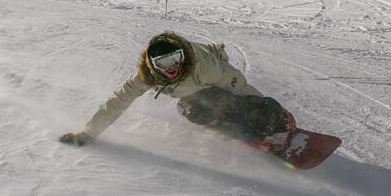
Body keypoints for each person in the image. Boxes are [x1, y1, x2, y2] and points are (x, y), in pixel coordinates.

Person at [59, 31, 296, 151]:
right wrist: (88, 133)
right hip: (190, 91)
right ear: (153, 66)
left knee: (230, 102)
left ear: (182, 55)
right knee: (190, 110)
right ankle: (231, 127)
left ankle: (275, 118)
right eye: (163, 63)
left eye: (175, 58)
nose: (172, 67)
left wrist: (259, 107)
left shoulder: (203, 66)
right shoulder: (146, 77)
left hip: (213, 73)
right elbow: (117, 101)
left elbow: (236, 82)